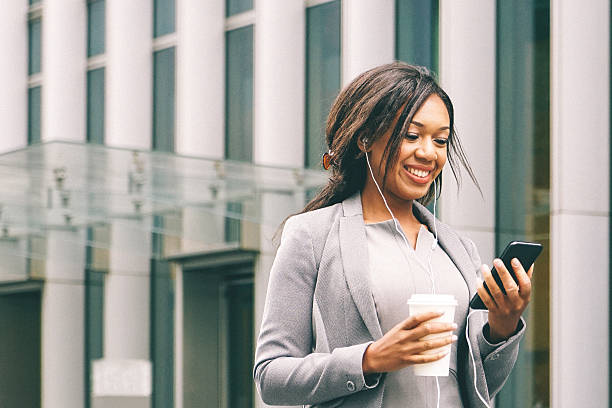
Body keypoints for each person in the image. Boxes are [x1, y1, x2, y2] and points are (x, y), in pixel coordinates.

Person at [253, 62, 532, 408]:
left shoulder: (458, 249)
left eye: (440, 140)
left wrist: (502, 326)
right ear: (366, 138)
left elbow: (480, 387)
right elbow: (271, 376)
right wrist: (370, 359)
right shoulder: (312, 236)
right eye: (411, 135)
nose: (428, 153)